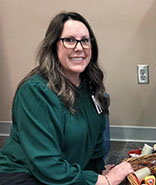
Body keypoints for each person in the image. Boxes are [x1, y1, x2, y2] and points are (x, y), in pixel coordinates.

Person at [0, 11, 134, 185]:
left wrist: (98, 172)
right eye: (69, 40)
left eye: (85, 40)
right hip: (26, 175)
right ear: (53, 45)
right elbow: (44, 163)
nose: (79, 47)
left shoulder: (90, 86)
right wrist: (104, 181)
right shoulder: (35, 91)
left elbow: (96, 143)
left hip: (66, 173)